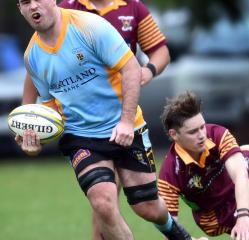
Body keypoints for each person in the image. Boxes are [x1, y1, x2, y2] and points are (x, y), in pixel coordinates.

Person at [16, 1, 202, 239]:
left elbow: (132, 69)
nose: (32, 6)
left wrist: (125, 122)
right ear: (20, 9)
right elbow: (49, 110)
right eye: (24, 2)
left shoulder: (89, 26)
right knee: (103, 202)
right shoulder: (32, 56)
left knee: (147, 207)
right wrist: (34, 142)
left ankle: (181, 236)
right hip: (81, 136)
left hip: (124, 124)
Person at [158, 91, 249, 240]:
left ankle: (236, 154)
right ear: (174, 134)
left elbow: (240, 176)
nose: (201, 135)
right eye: (193, 132)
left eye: (202, 127)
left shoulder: (217, 134)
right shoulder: (169, 174)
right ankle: (235, 156)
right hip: (219, 212)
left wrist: (243, 216)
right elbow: (170, 228)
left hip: (233, 178)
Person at [22, 0, 170, 103]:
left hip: (124, 102)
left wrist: (149, 70)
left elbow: (160, 52)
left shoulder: (134, 7)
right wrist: (26, 114)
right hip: (82, 112)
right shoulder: (66, 8)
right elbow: (37, 60)